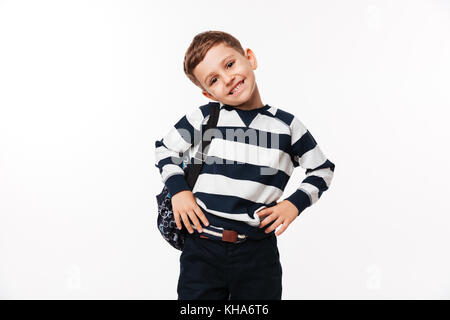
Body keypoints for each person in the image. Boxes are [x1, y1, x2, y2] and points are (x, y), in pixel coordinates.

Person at [154, 30, 335, 300]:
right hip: (202, 250)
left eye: (230, 64)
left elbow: (322, 169)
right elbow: (165, 149)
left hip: (257, 254)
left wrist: (293, 203)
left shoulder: (287, 126)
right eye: (214, 80)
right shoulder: (205, 118)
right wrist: (179, 190)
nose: (228, 79)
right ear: (207, 93)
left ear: (249, 58)